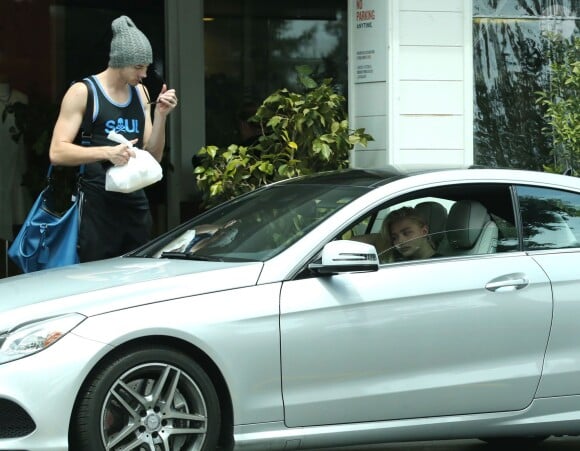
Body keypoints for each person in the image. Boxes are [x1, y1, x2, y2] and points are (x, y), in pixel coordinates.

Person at [49, 15, 178, 262]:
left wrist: (161, 116)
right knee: (97, 280)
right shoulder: (84, 92)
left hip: (135, 203)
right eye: (138, 67)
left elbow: (153, 156)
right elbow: (57, 152)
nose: (144, 74)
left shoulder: (140, 93)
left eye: (147, 67)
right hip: (98, 206)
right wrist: (107, 152)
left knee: (138, 277)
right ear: (120, 61)